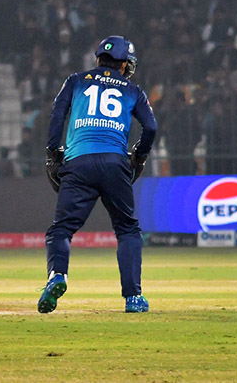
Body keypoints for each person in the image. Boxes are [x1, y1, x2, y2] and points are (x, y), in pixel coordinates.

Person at [40, 36, 157, 314]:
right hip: (115, 162)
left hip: (78, 161)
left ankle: (57, 274)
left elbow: (57, 115)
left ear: (98, 59)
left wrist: (53, 154)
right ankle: (133, 297)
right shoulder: (133, 90)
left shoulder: (75, 80)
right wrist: (139, 156)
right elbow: (150, 127)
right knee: (127, 229)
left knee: (62, 229)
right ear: (125, 64)